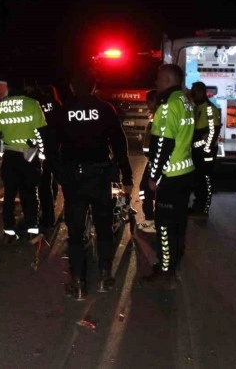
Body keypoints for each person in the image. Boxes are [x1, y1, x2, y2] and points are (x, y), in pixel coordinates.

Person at [51, 69, 133, 300]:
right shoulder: (105, 110)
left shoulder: (62, 111)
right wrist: (126, 176)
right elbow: (119, 144)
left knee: (76, 232)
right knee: (104, 227)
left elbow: (50, 148)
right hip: (100, 176)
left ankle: (78, 283)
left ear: (72, 87)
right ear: (95, 87)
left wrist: (60, 175)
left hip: (74, 178)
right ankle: (105, 277)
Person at [141, 64, 195, 281]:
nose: (156, 82)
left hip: (170, 177)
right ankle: (175, 261)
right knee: (179, 222)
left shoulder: (167, 106)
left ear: (167, 80)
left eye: (158, 78)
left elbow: (162, 145)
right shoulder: (185, 102)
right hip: (185, 173)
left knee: (163, 224)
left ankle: (164, 268)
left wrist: (154, 176)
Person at [0, 76, 47, 243]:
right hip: (29, 156)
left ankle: (9, 232)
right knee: (30, 194)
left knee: (9, 195)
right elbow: (42, 133)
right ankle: (32, 231)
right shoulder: (32, 104)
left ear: (8, 88)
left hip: (10, 156)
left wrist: (0, 152)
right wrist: (41, 154)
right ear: (24, 88)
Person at [189, 81, 221, 218]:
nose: (192, 95)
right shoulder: (197, 108)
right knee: (198, 180)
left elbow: (213, 131)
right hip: (198, 151)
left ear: (201, 92)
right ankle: (197, 206)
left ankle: (203, 209)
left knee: (206, 180)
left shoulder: (209, 109)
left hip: (205, 152)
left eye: (194, 92)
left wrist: (205, 148)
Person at [34, 83, 62, 230]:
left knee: (44, 185)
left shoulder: (35, 105)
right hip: (55, 148)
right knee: (61, 179)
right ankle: (68, 208)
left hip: (41, 149)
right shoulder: (57, 105)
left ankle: (48, 219)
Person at [137, 89, 159, 233]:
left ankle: (151, 220)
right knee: (146, 190)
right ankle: (151, 218)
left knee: (146, 189)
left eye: (149, 101)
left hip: (154, 161)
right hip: (152, 160)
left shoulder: (159, 118)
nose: (147, 104)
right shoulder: (155, 116)